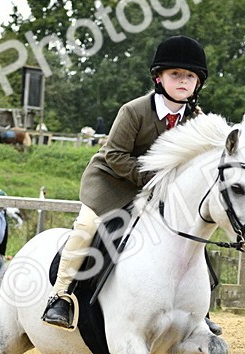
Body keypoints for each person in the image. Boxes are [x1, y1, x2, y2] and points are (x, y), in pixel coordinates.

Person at [42, 35, 210, 331]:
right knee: (87, 227)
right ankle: (61, 295)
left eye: (190, 76)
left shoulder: (197, 120)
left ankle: (196, 308)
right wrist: (154, 179)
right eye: (175, 74)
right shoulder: (133, 111)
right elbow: (115, 155)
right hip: (113, 182)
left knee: (190, 232)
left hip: (160, 191)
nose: (183, 80)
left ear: (198, 83)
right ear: (159, 78)